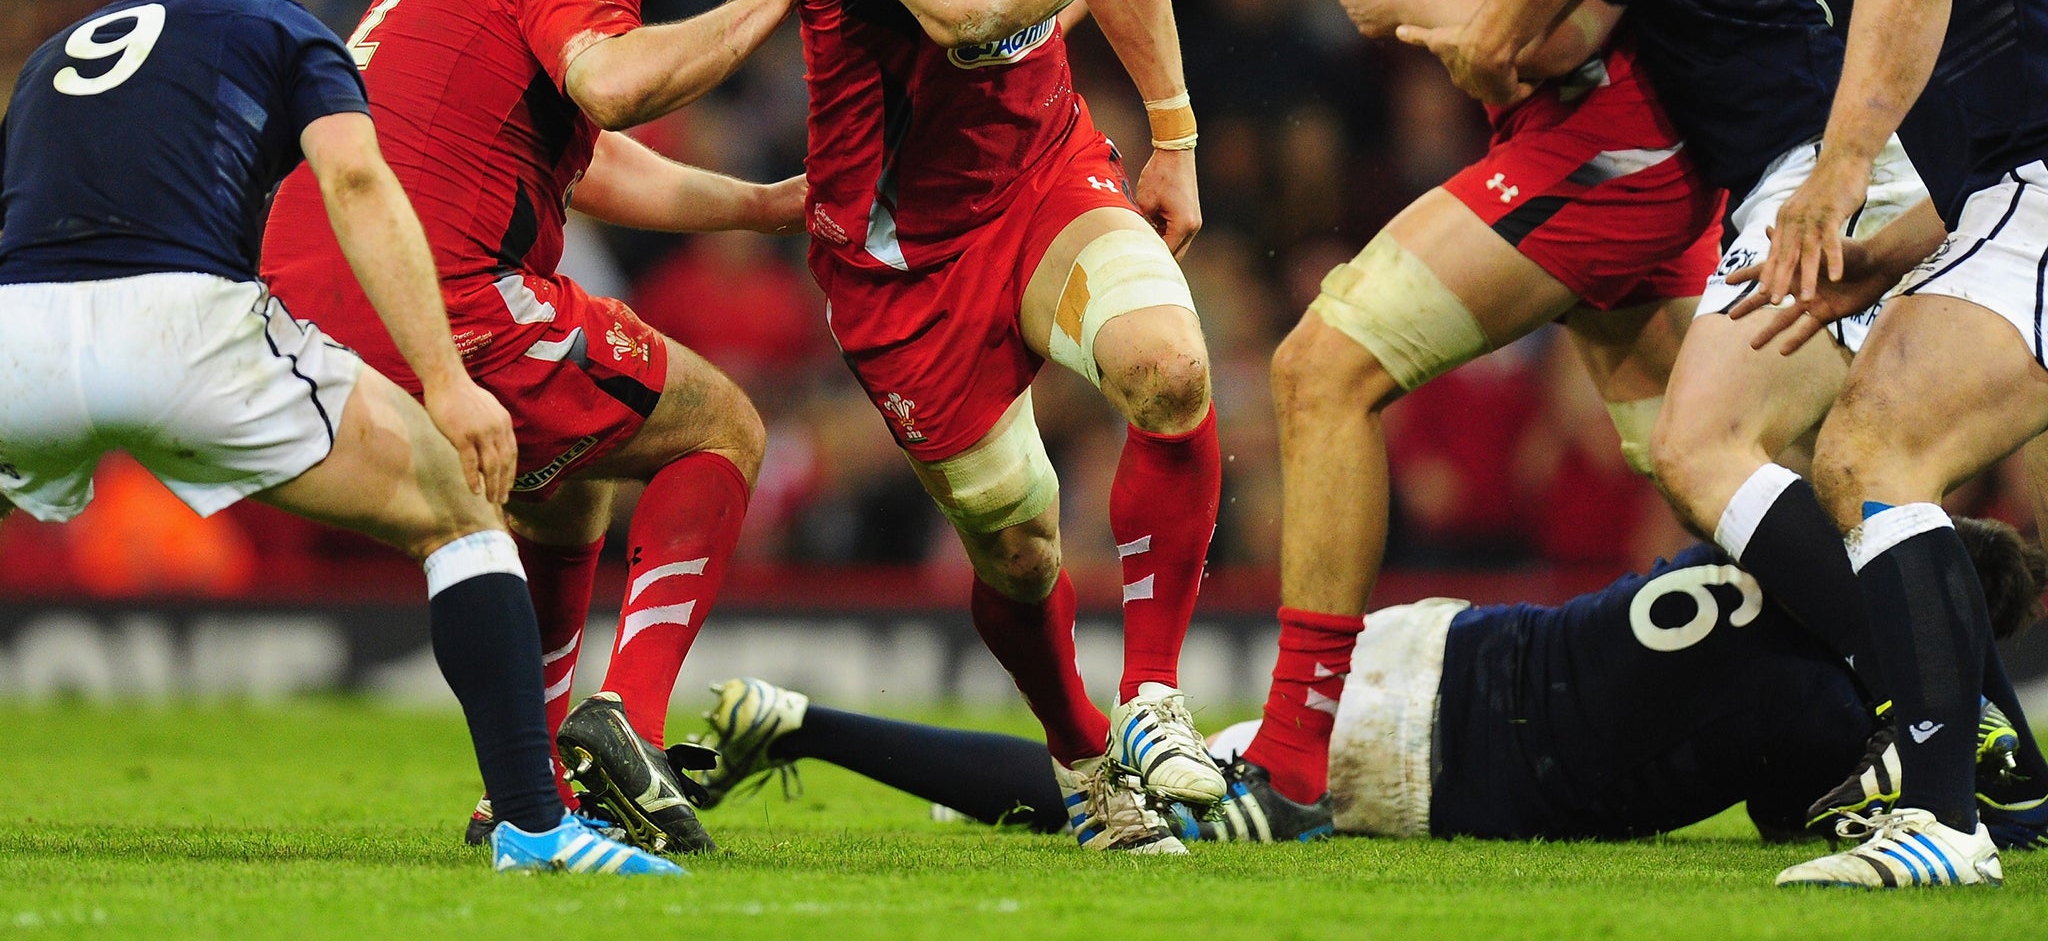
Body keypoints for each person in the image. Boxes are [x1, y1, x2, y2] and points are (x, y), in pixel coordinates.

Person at [1149, 0, 1723, 835]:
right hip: (1576, 145)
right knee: (1709, 458)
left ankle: (1290, 768)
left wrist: (1490, 24)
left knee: (1318, 366)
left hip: (1605, 140)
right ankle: (1942, 711)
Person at [1344, 0, 1930, 774]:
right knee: (1827, 472)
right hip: (1840, 163)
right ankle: (1924, 730)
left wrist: (1405, 0)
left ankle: (1928, 708)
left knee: (1700, 447)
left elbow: (1545, 42)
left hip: (1823, 175)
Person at [0, 0, 676, 877]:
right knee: (460, 513)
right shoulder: (278, 23)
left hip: (22, 337)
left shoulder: (49, 61)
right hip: (182, 330)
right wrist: (448, 383)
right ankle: (538, 831)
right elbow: (358, 185)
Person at [260, 0, 804, 856]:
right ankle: (626, 723)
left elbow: (573, 151)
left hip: (306, 281)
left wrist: (755, 205)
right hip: (438, 288)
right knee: (722, 426)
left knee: (571, 489)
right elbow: (607, 87)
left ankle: (529, 784)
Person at [790, 0, 1222, 853]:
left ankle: (1151, 703)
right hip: (898, 255)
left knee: (1170, 369)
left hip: (1040, 176)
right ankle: (1086, 764)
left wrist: (1175, 131)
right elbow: (963, 1)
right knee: (1021, 546)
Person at [686, 517, 2047, 849]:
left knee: (1130, 793)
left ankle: (800, 721)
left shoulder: (1760, 538)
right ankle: (803, 720)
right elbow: (1785, 815)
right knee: (1119, 816)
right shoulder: (1820, 702)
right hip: (1439, 755)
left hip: (1435, 646)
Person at [1709, 0, 2048, 889]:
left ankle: (1949, 818)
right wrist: (1889, 250)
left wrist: (1835, 184)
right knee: (1883, 453)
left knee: (1869, 451)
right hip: (2012, 189)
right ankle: (1984, 802)